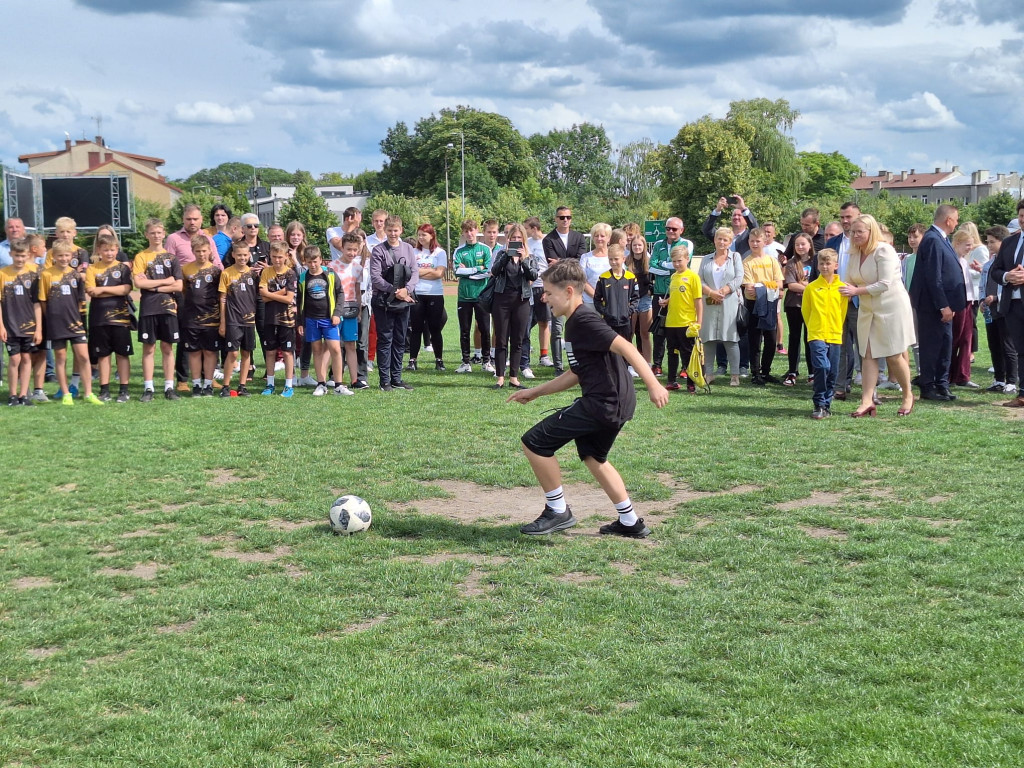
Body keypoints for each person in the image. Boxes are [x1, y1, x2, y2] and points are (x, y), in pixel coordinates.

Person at [508, 259, 668, 538]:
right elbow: (576, 373)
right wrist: (535, 392)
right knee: (594, 456)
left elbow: (628, 348)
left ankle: (557, 511)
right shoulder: (574, 323)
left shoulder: (583, 320)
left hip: (604, 403)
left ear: (569, 291)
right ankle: (630, 522)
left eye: (549, 293)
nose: (544, 298)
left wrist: (653, 384)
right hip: (615, 402)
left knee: (535, 442)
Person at [841, 215, 916, 417]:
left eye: (859, 232)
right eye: (852, 232)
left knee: (893, 354)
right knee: (866, 353)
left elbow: (885, 283)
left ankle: (908, 395)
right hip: (867, 309)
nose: (855, 235)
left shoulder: (884, 250)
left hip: (891, 307)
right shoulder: (854, 253)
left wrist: (856, 291)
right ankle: (866, 401)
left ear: (871, 232)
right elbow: (847, 282)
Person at [909, 204, 964, 402]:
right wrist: (943, 305)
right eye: (956, 219)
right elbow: (933, 276)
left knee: (944, 345)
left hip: (944, 305)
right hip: (932, 306)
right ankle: (928, 386)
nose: (957, 223)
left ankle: (942, 384)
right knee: (932, 346)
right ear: (948, 220)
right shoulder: (932, 239)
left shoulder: (942, 238)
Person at [39, 241, 101, 405]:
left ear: (71, 256)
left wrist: (81, 320)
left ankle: (88, 393)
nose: (63, 258)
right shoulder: (46, 275)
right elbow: (43, 300)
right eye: (60, 255)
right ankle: (66, 392)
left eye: (66, 255)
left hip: (76, 322)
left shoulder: (76, 275)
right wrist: (50, 318)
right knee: (61, 357)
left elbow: (81, 300)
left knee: (83, 356)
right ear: (53, 256)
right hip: (56, 323)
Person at [132, 218, 183, 402]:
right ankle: (148, 388)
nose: (156, 236)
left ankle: (169, 387)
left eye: (159, 232)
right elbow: (138, 283)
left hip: (168, 308)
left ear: (164, 234)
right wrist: (164, 281)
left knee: (167, 348)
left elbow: (178, 286)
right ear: (147, 235)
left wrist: (152, 286)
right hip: (148, 308)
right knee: (149, 348)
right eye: (152, 232)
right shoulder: (141, 257)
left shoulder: (171, 258)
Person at [370, 215, 418, 391]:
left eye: (395, 230)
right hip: (383, 301)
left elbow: (415, 273)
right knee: (385, 340)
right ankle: (384, 381)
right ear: (385, 230)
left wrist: (407, 290)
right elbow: (375, 277)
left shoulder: (408, 248)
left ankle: (396, 378)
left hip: (404, 300)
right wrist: (395, 291)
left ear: (401, 230)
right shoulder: (378, 250)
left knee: (400, 340)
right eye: (389, 230)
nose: (392, 233)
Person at [84, 234, 133, 402]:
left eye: (112, 250)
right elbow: (91, 290)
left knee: (122, 354)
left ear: (117, 250)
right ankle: (104, 390)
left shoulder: (123, 268)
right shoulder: (92, 268)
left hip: (120, 318)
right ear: (99, 250)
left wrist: (102, 290)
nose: (109, 253)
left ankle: (124, 390)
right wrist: (113, 289)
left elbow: (126, 289)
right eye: (105, 250)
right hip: (99, 318)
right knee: (103, 355)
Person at [489, 222, 537, 390]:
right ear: (508, 239)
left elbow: (534, 275)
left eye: (519, 238)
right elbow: (494, 271)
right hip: (502, 299)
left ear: (524, 239)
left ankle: (514, 377)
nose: (516, 240)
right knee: (501, 339)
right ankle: (500, 377)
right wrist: (506, 256)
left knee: (518, 339)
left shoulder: (530, 256)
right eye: (513, 238)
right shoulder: (501, 254)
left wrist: (523, 259)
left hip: (522, 300)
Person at [801, 249, 848, 419]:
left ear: (836, 265)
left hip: (835, 334)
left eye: (828, 263)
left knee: (833, 372)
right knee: (822, 367)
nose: (825, 266)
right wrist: (814, 327)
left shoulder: (842, 288)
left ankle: (826, 405)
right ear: (817, 265)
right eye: (822, 263)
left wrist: (836, 327)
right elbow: (806, 312)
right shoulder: (812, 288)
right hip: (816, 334)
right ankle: (819, 402)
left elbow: (842, 312)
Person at [986, 199, 1024, 407]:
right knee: (1020, 349)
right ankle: (1022, 393)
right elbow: (995, 270)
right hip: (1012, 303)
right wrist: (1008, 276)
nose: (1023, 221)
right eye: (1020, 216)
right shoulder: (1010, 242)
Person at [542, 206, 587, 374]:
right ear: (556, 219)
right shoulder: (548, 239)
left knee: (578, 327)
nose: (565, 220)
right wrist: (570, 261)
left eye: (568, 217)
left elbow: (580, 260)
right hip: (557, 288)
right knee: (557, 329)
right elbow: (552, 262)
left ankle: (579, 363)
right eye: (561, 217)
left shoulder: (579, 237)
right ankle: (558, 367)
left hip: (576, 288)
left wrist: (560, 262)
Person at [697, 227, 743, 387]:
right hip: (709, 302)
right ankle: (709, 373)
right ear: (715, 240)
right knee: (708, 338)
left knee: (730, 338)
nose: (722, 242)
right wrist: (711, 292)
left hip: (729, 302)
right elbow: (699, 280)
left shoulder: (735, 257)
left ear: (730, 242)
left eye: (725, 240)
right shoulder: (706, 259)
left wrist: (723, 291)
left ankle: (735, 375)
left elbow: (739, 278)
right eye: (719, 239)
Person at [297, 245, 345, 396]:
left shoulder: (330, 274)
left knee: (335, 349)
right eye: (309, 262)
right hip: (311, 319)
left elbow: (340, 293)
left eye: (315, 261)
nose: (312, 265)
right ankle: (321, 384)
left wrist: (337, 313)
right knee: (316, 351)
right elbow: (299, 300)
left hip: (329, 319)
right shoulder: (303, 277)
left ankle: (338, 385)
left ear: (321, 260)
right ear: (304, 262)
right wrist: (300, 322)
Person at [648, 217, 693, 375]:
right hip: (660, 292)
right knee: (659, 330)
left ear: (681, 230)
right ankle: (657, 364)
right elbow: (651, 267)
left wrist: (662, 265)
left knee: (681, 331)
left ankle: (685, 367)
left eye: (674, 229)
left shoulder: (686, 244)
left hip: (680, 293)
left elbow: (684, 266)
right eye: (668, 228)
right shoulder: (658, 244)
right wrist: (670, 267)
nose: (670, 231)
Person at [180, 234, 222, 398]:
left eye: (204, 251)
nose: (201, 254)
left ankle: (208, 384)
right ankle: (196, 384)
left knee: (210, 352)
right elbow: (183, 290)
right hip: (191, 318)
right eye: (198, 251)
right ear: (193, 251)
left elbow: (220, 296)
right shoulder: (186, 269)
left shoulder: (216, 271)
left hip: (211, 318)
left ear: (209, 251)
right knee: (194, 352)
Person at [0, 238, 41, 405]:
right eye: (17, 256)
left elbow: (37, 303)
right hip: (10, 325)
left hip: (29, 325)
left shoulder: (33, 275)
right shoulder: (2, 274)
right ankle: (12, 394)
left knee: (26, 359)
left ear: (28, 255)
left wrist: (39, 328)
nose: (20, 259)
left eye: (23, 256)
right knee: (14, 359)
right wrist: (1, 325)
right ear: (11, 254)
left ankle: (23, 394)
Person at [827, 202, 861, 400]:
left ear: (859, 216)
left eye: (849, 217)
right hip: (836, 302)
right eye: (842, 218)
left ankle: (868, 388)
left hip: (859, 301)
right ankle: (839, 387)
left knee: (864, 347)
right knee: (838, 346)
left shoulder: (866, 242)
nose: (845, 221)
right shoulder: (833, 243)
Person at [741, 228, 784, 385]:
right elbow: (750, 289)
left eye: (757, 241)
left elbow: (780, 283)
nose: (754, 244)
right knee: (755, 340)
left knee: (771, 339)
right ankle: (756, 373)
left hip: (770, 303)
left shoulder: (772, 261)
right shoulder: (746, 262)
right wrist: (770, 287)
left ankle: (766, 372)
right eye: (752, 241)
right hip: (753, 305)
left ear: (764, 242)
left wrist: (763, 286)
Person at [979, 225, 1016, 394]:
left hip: (1004, 309)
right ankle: (999, 379)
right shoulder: (988, 265)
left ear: (1003, 242)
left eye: (992, 242)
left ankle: (1011, 381)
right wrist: (982, 300)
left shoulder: (1010, 264)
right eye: (988, 242)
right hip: (990, 311)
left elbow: (1011, 287)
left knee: (1007, 345)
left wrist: (997, 298)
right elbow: (983, 284)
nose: (989, 245)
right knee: (994, 345)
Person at [453, 219, 493, 374]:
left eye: (472, 230)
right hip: (464, 296)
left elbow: (488, 271)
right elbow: (457, 271)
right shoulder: (459, 250)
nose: (469, 234)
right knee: (464, 330)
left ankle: (486, 361)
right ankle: (465, 362)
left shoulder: (485, 249)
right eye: (466, 231)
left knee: (484, 329)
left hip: (482, 296)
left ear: (477, 231)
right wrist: (477, 269)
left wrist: (468, 271)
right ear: (463, 233)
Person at [661, 243, 703, 393]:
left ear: (687, 259)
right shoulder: (673, 276)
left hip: (687, 322)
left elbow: (698, 301)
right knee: (672, 352)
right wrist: (666, 301)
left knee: (688, 354)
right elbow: (675, 296)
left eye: (680, 260)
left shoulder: (693, 277)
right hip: (671, 321)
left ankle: (691, 383)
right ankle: (671, 380)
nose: (677, 264)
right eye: (674, 261)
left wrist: (698, 322)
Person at [258, 241, 298, 397]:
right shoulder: (266, 272)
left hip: (287, 319)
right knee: (270, 352)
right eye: (274, 257)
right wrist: (280, 292)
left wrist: (269, 294)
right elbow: (263, 296)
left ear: (286, 256)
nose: (277, 260)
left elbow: (289, 299)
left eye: (280, 257)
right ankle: (270, 384)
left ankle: (288, 385)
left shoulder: (290, 273)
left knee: (287, 352)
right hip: (269, 318)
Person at [218, 241, 256, 397]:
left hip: (249, 320)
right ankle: (225, 386)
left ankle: (242, 386)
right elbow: (222, 298)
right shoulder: (226, 273)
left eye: (245, 255)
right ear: (233, 255)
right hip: (233, 320)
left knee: (246, 352)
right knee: (232, 354)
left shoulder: (254, 274)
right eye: (239, 255)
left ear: (249, 255)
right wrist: (222, 322)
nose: (242, 258)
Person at [407, 223, 447, 371]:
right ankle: (412, 360)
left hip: (435, 294)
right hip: (417, 293)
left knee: (435, 328)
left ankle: (439, 360)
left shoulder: (440, 252)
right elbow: (410, 272)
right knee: (416, 328)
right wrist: (428, 271)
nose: (421, 237)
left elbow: (439, 274)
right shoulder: (412, 251)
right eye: (419, 234)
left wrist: (419, 271)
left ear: (432, 235)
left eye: (424, 234)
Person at [950, 228, 985, 389]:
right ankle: (950, 374)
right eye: (967, 245)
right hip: (958, 303)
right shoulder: (952, 260)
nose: (970, 248)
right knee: (955, 339)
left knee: (966, 339)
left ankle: (963, 375)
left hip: (968, 302)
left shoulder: (963, 260)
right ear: (957, 243)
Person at [781, 232, 816, 386]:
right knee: (794, 338)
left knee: (811, 339)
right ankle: (792, 372)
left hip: (813, 306)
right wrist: (808, 287)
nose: (800, 247)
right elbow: (790, 284)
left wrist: (803, 286)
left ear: (810, 245)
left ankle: (812, 373)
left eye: (803, 244)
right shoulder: (791, 263)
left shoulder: (817, 261)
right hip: (793, 305)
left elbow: (820, 283)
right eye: (797, 244)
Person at [519, 216, 551, 376]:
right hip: (529, 287)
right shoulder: (528, 244)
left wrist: (548, 289)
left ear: (534, 228)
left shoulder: (547, 241)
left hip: (543, 287)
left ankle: (544, 355)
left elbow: (551, 267)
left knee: (544, 322)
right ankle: (523, 355)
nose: (525, 231)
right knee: (525, 324)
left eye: (526, 228)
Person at [332, 233, 363, 393]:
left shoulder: (358, 268)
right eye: (348, 249)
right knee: (331, 346)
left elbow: (357, 290)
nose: (351, 253)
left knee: (351, 344)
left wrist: (359, 309)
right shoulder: (332, 267)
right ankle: (324, 380)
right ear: (342, 248)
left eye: (355, 250)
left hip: (351, 310)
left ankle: (354, 379)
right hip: (335, 310)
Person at [593, 243, 638, 339]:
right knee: (609, 351)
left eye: (616, 259)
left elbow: (636, 298)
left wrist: (628, 312)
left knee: (625, 350)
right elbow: (596, 299)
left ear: (623, 259)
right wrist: (605, 312)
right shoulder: (603, 278)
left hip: (625, 322)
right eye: (610, 259)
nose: (613, 262)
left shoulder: (631, 278)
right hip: (608, 322)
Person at [625, 235, 653, 367]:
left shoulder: (649, 261)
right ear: (631, 246)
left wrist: (651, 290)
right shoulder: (626, 261)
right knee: (629, 332)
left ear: (644, 246)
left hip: (645, 300)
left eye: (639, 245)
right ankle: (629, 364)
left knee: (645, 333)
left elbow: (654, 280)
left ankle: (647, 363)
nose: (637, 247)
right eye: (634, 245)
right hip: (630, 299)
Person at [580, 223, 611, 305]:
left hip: (611, 302)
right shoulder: (585, 257)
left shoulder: (614, 256)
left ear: (608, 238)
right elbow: (582, 281)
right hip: (590, 302)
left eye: (602, 236)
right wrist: (597, 297)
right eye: (596, 236)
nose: (599, 238)